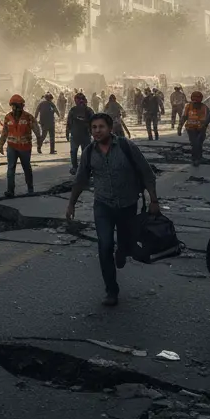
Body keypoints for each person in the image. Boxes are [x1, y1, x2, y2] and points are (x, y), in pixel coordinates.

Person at [67, 113, 159, 307]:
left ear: (110, 128)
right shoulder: (89, 152)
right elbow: (81, 179)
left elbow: (146, 172)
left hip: (127, 204)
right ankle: (111, 290)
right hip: (103, 205)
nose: (97, 131)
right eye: (94, 128)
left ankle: (123, 249)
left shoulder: (126, 147)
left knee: (126, 242)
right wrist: (71, 203)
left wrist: (153, 200)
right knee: (105, 245)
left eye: (101, 127)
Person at [3, 95, 36, 198]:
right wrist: (1, 144)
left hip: (25, 147)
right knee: (11, 168)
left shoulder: (28, 117)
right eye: (14, 106)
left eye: (18, 106)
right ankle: (10, 191)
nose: (16, 108)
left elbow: (36, 129)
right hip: (12, 147)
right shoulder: (7, 117)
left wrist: (39, 140)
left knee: (26, 168)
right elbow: (5, 131)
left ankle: (30, 189)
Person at [178, 90, 209, 166]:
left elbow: (208, 119)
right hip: (191, 128)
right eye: (194, 100)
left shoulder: (205, 107)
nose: (195, 103)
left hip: (201, 129)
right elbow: (184, 117)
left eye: (197, 100)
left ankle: (198, 157)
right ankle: (195, 158)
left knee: (199, 144)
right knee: (195, 144)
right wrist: (179, 128)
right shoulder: (188, 106)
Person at [66, 92, 94, 175]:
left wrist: (67, 132)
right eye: (79, 99)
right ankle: (79, 168)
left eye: (82, 99)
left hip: (81, 135)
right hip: (80, 135)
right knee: (79, 152)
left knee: (78, 152)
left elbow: (94, 122)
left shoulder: (85, 110)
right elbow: (69, 122)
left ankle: (81, 168)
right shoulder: (76, 110)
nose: (80, 101)